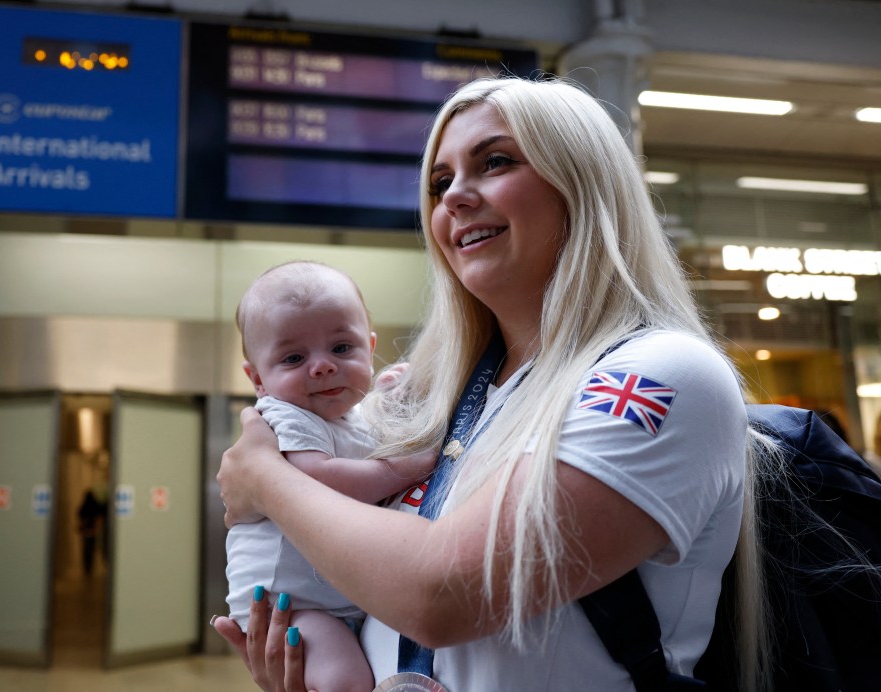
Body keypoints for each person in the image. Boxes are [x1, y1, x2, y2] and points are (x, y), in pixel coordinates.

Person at [215, 76, 768, 691]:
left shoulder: (664, 370)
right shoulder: (440, 398)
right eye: (439, 182)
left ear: (581, 178)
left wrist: (264, 478)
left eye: (495, 161)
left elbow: (438, 593)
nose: (453, 197)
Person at [223, 260, 436, 692]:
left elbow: (370, 436)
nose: (321, 366)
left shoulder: (353, 416)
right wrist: (407, 467)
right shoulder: (285, 415)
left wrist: (391, 398)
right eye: (294, 357)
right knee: (345, 681)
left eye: (342, 348)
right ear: (258, 379)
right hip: (293, 605)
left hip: (338, 593)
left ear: (370, 348)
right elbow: (320, 479)